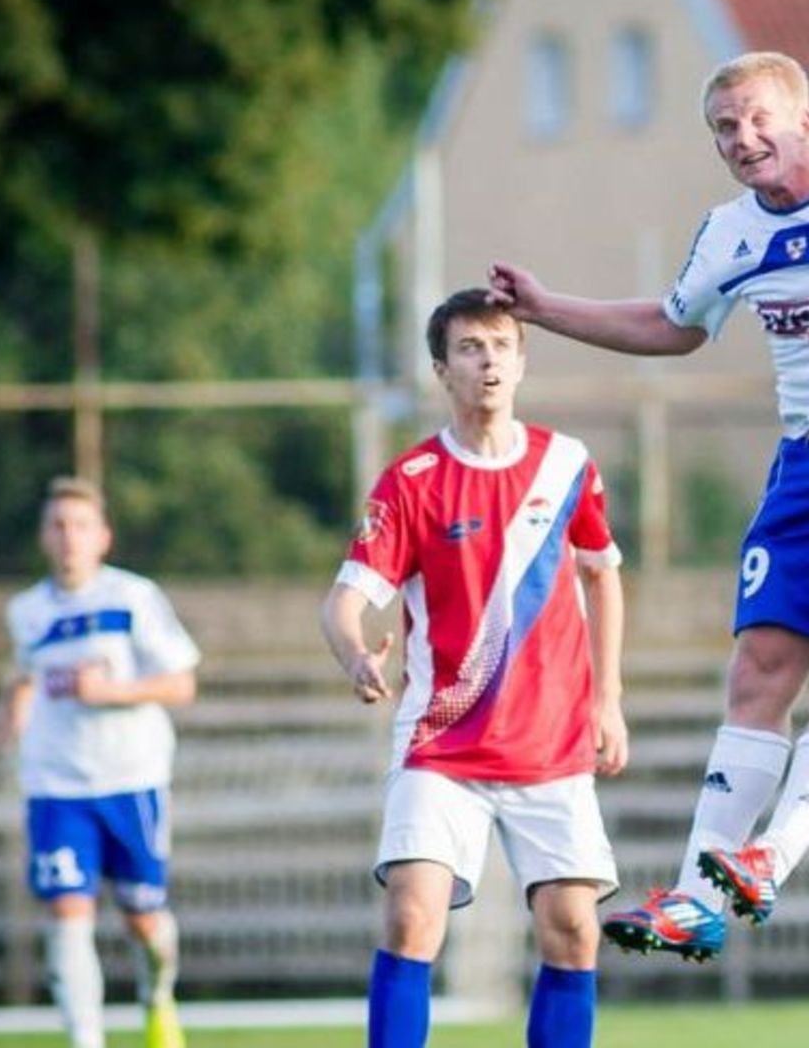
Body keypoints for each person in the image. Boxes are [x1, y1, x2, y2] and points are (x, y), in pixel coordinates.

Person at [488, 51, 809, 961]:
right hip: (807, 469)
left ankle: (767, 863)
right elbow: (674, 325)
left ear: (806, 121)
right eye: (723, 128)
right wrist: (547, 310)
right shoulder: (728, 234)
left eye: (756, 120)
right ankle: (696, 895)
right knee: (757, 671)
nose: (742, 140)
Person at [320, 288, 628, 1048]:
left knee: (572, 932)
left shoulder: (566, 464)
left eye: (499, 346)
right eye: (469, 348)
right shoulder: (412, 480)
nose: (487, 361)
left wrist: (609, 699)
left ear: (521, 362)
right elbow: (345, 600)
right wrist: (357, 653)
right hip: (443, 743)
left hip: (551, 743)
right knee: (411, 915)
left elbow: (602, 572)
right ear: (441, 369)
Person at [0, 476, 198, 1048]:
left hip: (132, 778)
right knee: (67, 916)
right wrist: (0, 736)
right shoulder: (26, 610)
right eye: (58, 525)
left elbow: (181, 684)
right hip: (55, 784)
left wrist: (111, 692)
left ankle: (156, 995)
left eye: (80, 526)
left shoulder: (132, 598)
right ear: (45, 536)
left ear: (104, 537)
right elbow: (25, 680)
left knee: (144, 920)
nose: (69, 537)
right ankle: (85, 1039)